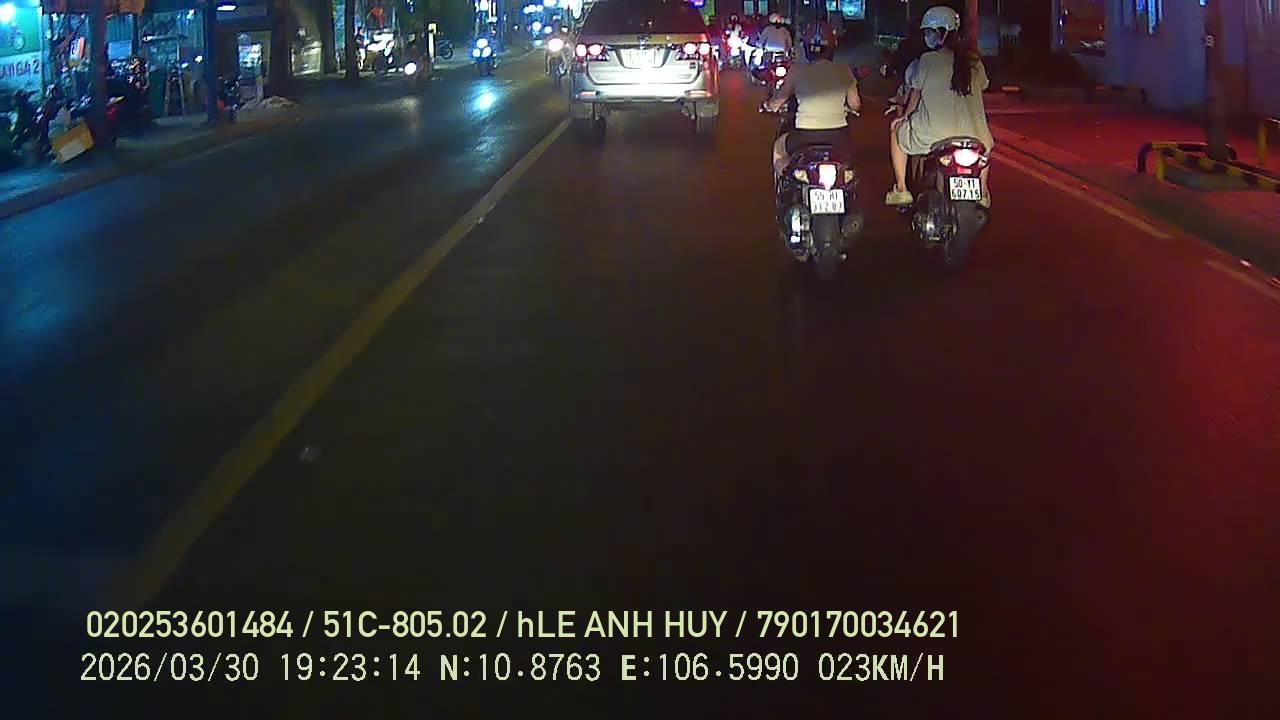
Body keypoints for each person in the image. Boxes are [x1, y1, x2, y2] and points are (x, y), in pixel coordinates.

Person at [885, 5, 993, 208]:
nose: (927, 37)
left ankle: (901, 189)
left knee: (896, 129)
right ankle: (983, 191)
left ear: (942, 33)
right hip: (976, 136)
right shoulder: (974, 61)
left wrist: (903, 118)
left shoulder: (927, 60)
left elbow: (914, 97)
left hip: (934, 136)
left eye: (929, 32)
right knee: (983, 150)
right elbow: (983, 87)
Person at [764, 21, 861, 179]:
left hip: (804, 136)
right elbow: (855, 105)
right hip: (839, 137)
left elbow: (778, 100)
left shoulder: (796, 71)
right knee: (849, 168)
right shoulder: (844, 70)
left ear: (807, 47)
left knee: (778, 150)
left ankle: (792, 175)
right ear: (832, 47)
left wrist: (768, 106)